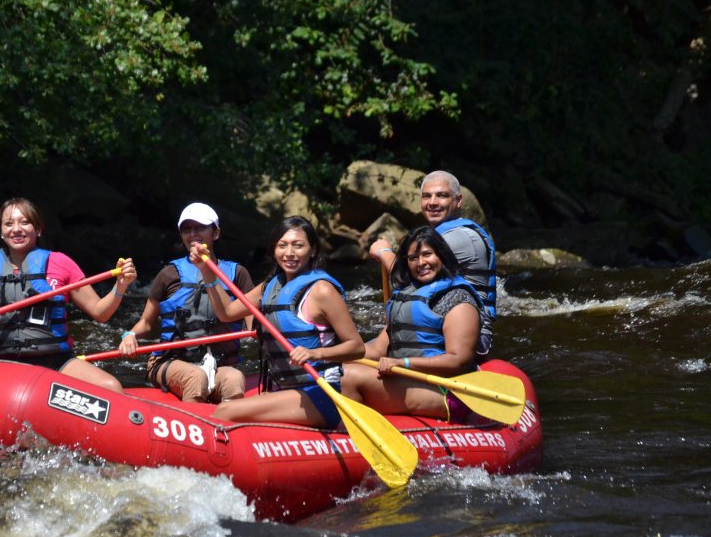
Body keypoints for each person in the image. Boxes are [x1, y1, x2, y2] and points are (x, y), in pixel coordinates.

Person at [189, 216, 365, 428]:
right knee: (229, 408)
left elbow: (357, 347)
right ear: (274, 250)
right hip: (286, 390)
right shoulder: (270, 287)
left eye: (298, 246)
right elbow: (227, 313)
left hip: (321, 394)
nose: (289, 253)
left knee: (225, 411)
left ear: (313, 250)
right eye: (282, 246)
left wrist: (315, 353)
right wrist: (205, 269)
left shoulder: (322, 290)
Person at [0, 197, 136, 394]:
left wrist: (121, 285)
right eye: (9, 223)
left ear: (38, 229)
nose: (16, 229)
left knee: (111, 387)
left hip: (54, 362)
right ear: (2, 233)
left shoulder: (60, 263)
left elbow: (101, 313)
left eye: (25, 222)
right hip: (0, 364)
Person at [343, 226, 486, 420]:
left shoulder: (458, 299)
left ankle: (346, 434)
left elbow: (458, 361)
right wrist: (329, 355)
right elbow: (377, 351)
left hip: (448, 390)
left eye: (427, 254)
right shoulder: (407, 297)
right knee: (337, 370)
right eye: (413, 258)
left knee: (347, 377)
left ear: (441, 256)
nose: (421, 263)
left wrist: (403, 363)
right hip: (409, 380)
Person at [118, 202, 255, 402]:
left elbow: (254, 326)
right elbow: (147, 323)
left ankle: (228, 428)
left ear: (215, 233)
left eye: (200, 228)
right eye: (187, 229)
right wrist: (129, 335)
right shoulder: (169, 274)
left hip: (221, 363)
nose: (192, 235)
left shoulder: (238, 275)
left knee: (234, 379)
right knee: (195, 377)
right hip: (172, 361)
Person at [369, 170, 497, 358]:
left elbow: (403, 274)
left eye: (442, 195)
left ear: (458, 200)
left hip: (468, 336)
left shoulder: (462, 237)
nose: (433, 202)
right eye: (427, 196)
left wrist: (384, 252)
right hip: (435, 319)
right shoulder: (435, 237)